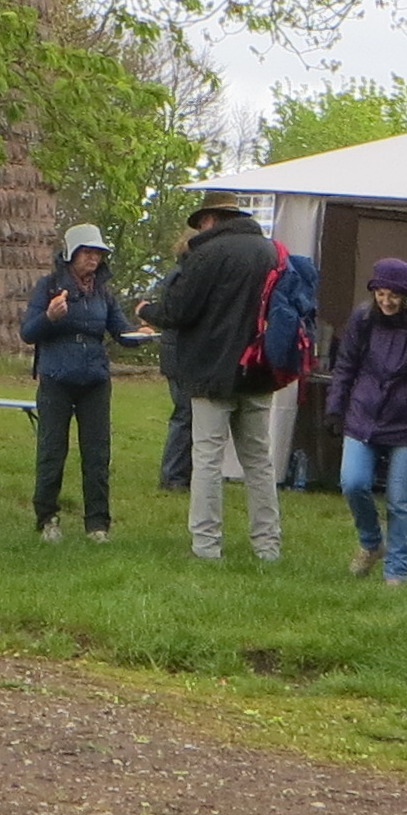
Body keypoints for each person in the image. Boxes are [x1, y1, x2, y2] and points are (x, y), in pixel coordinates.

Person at [141, 193, 283, 563]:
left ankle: (206, 546)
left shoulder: (207, 254)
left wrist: (147, 310)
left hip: (211, 371)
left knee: (206, 458)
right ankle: (268, 546)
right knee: (259, 462)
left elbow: (178, 311)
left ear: (211, 219)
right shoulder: (269, 251)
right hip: (259, 370)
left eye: (201, 222)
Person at [320, 257, 407, 585]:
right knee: (353, 483)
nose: (386, 301)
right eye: (380, 294)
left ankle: (397, 570)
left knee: (399, 501)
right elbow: (345, 367)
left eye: (393, 295)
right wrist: (335, 408)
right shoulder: (362, 319)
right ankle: (371, 542)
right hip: (363, 416)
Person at [21, 224, 133, 544]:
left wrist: (141, 334)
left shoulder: (103, 292)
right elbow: (28, 332)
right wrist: (50, 317)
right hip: (56, 379)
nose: (93, 259)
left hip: (95, 380)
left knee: (97, 454)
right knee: (52, 450)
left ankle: (97, 524)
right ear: (71, 254)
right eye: (87, 252)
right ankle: (47, 518)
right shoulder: (49, 287)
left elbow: (121, 331)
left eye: (98, 253)